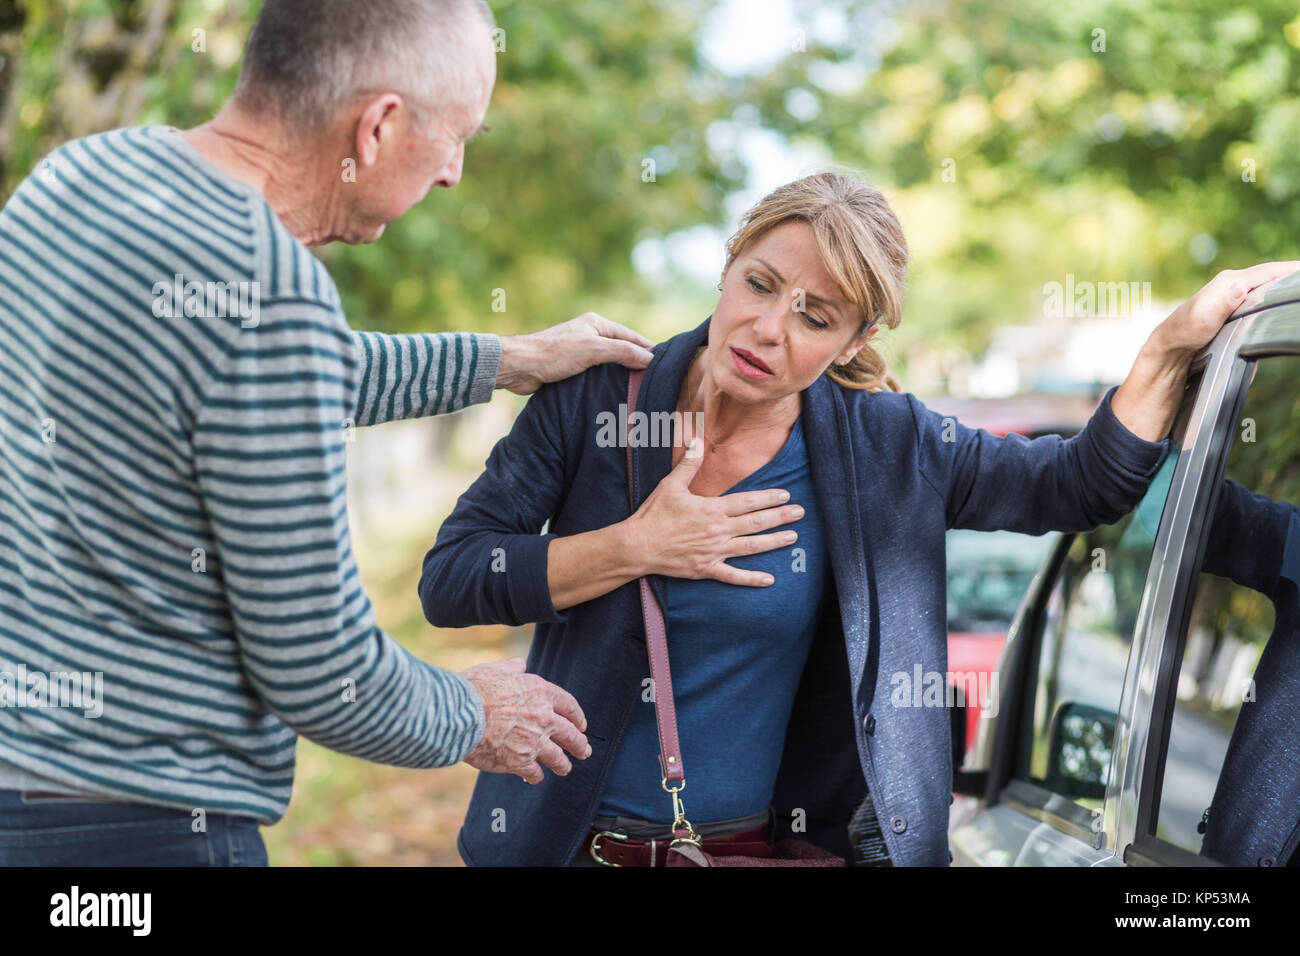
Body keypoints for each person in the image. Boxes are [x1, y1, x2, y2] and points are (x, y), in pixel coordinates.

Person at [420, 169, 1299, 866]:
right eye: (759, 284)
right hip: (558, 847)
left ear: (853, 341)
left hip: (746, 851)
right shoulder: (595, 401)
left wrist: (1167, 350)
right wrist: (634, 546)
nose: (769, 328)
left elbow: (1076, 486)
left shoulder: (890, 447)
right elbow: (453, 579)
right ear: (727, 265)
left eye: (816, 317)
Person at [0, 0, 701, 866]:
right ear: (376, 128)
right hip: (144, 823)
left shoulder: (84, 176)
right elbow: (321, 669)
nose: (453, 173)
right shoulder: (268, 290)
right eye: (455, 138)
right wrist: (474, 713)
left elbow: (270, 375)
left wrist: (511, 359)